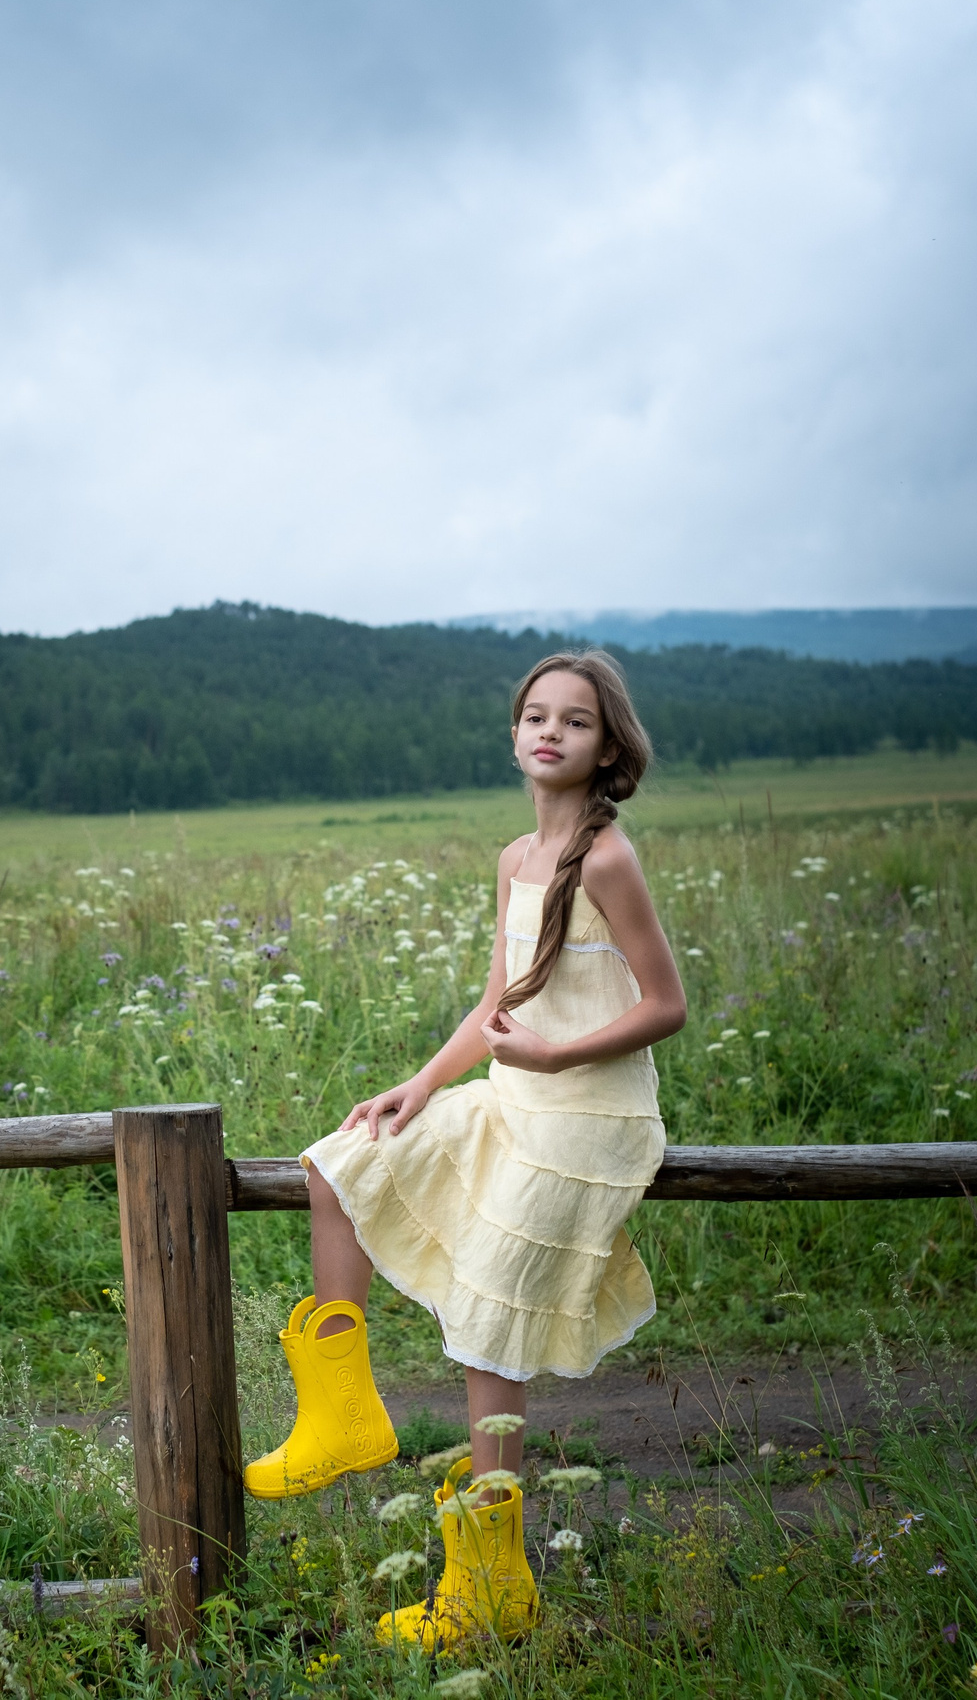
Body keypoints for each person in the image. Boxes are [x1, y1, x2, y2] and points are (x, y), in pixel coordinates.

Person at [245, 649, 687, 1648]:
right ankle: (342, 1419)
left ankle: (492, 1590)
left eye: (574, 722)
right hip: (513, 1091)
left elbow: (668, 1006)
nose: (549, 732)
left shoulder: (608, 857)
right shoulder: (512, 859)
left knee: (488, 1325)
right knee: (337, 1160)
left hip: (590, 1118)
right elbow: (495, 1003)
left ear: (608, 746)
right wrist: (423, 1081)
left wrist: (554, 1052)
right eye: (535, 715)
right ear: (514, 733)